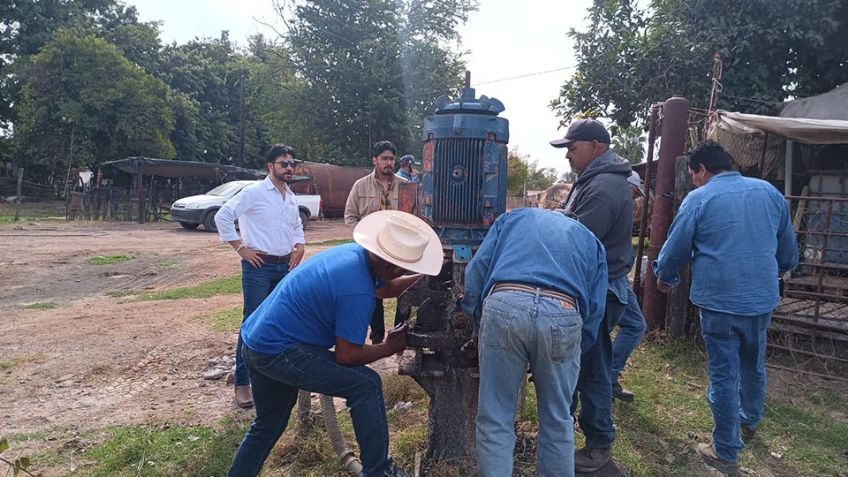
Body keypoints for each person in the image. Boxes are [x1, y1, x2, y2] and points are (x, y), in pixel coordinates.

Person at [227, 210, 443, 477]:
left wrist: (421, 278)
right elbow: (347, 355)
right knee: (366, 384)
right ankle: (379, 472)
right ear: (390, 265)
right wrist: (389, 347)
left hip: (257, 341)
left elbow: (385, 288)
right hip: (278, 351)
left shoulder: (355, 256)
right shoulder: (357, 289)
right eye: (405, 267)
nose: (406, 271)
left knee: (268, 424)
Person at [653, 141, 798, 475]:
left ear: (702, 169)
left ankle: (725, 450)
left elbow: (675, 248)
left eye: (693, 175)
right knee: (753, 363)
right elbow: (788, 250)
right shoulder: (769, 193)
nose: (693, 182)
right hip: (761, 299)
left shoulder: (699, 199)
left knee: (723, 373)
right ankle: (749, 420)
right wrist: (780, 268)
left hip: (719, 302)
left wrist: (665, 275)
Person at [462, 208, 608, 477]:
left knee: (495, 418)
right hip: (563, 311)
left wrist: (478, 321)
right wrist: (572, 348)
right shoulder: (589, 239)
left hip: (504, 303)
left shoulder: (513, 218)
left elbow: (476, 270)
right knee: (557, 420)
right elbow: (596, 308)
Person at [549, 118, 633, 472]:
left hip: (600, 289)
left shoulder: (603, 188)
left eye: (572, 146)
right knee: (583, 364)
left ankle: (598, 445)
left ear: (596, 147)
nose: (568, 154)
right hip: (598, 285)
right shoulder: (595, 180)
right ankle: (567, 431)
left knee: (591, 368)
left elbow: (576, 240)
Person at [215, 144, 306, 408]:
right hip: (258, 267)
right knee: (252, 323)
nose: (289, 168)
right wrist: (240, 248)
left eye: (291, 164)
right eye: (283, 164)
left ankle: (273, 379)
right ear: (270, 167)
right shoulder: (255, 192)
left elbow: (296, 225)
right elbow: (224, 216)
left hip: (283, 267)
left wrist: (299, 246)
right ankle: (242, 384)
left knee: (280, 321)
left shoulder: (289, 196)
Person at [345, 141, 409, 344]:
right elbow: (350, 216)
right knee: (372, 291)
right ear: (375, 160)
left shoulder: (406, 187)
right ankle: (377, 334)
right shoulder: (360, 185)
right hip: (371, 249)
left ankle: (400, 333)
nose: (388, 163)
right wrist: (364, 238)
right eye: (384, 159)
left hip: (400, 248)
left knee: (404, 290)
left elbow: (415, 217)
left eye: (391, 159)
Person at [611, 171, 649, 402]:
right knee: (635, 325)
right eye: (634, 193)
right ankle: (606, 377)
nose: (635, 199)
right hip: (613, 277)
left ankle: (605, 377)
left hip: (615, 275)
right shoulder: (613, 207)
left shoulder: (612, 207)